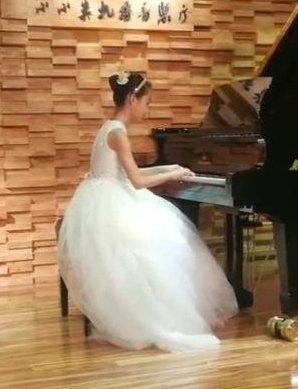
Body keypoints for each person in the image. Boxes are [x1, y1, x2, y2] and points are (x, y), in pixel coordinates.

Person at [57, 71, 239, 352]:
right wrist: (171, 176)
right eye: (147, 102)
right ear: (133, 99)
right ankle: (170, 315)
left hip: (103, 198)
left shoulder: (110, 128)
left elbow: (128, 172)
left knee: (170, 235)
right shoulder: (118, 133)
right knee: (167, 240)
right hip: (110, 207)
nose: (147, 108)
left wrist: (170, 167)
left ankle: (188, 309)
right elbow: (138, 181)